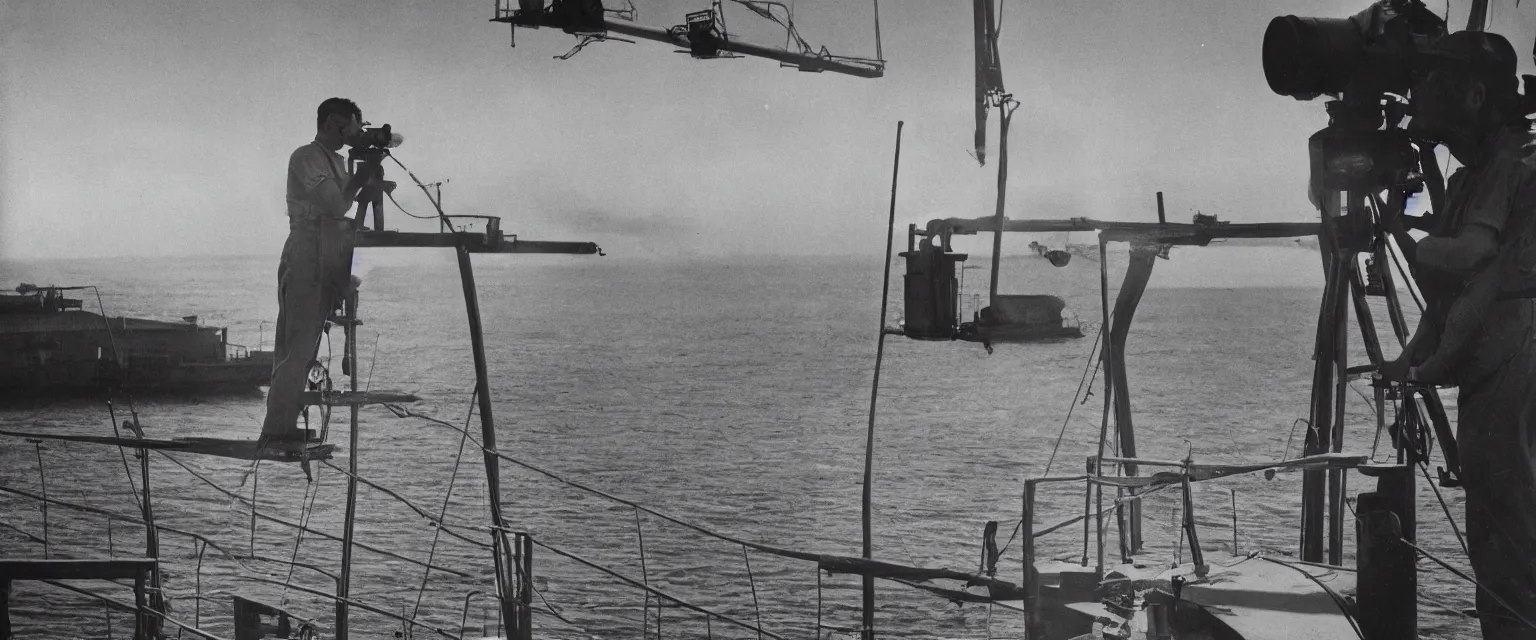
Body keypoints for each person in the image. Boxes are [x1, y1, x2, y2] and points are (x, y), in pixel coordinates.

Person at [1379, 30, 1536, 637]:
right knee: (1496, 519)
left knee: (1511, 522)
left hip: (1512, 349)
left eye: (1433, 83)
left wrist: (1416, 244)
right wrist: (1410, 359)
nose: (1419, 96)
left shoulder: (1512, 160)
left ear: (1474, 93)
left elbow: (1470, 256)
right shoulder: (1477, 172)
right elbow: (1448, 296)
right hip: (1491, 354)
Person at [261, 98, 384, 443]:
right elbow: (335, 203)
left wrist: (368, 177)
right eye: (355, 126)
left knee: (308, 346)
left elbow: (348, 200)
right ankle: (276, 430)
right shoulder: (307, 157)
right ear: (334, 122)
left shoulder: (338, 162)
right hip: (306, 254)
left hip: (327, 253)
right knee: (296, 346)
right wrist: (361, 175)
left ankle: (284, 425)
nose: (358, 133)